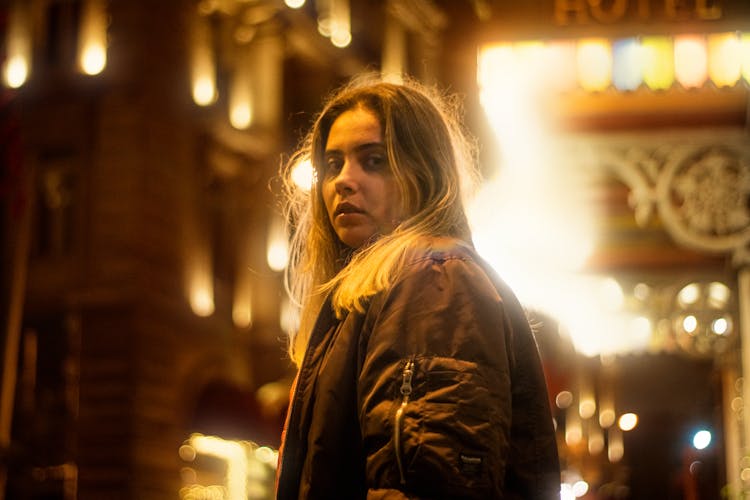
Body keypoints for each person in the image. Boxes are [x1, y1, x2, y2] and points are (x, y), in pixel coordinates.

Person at [275, 74, 560, 499]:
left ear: (423, 174)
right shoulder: (383, 289)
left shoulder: (433, 280)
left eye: (373, 161)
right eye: (333, 164)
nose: (343, 181)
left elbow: (425, 484)